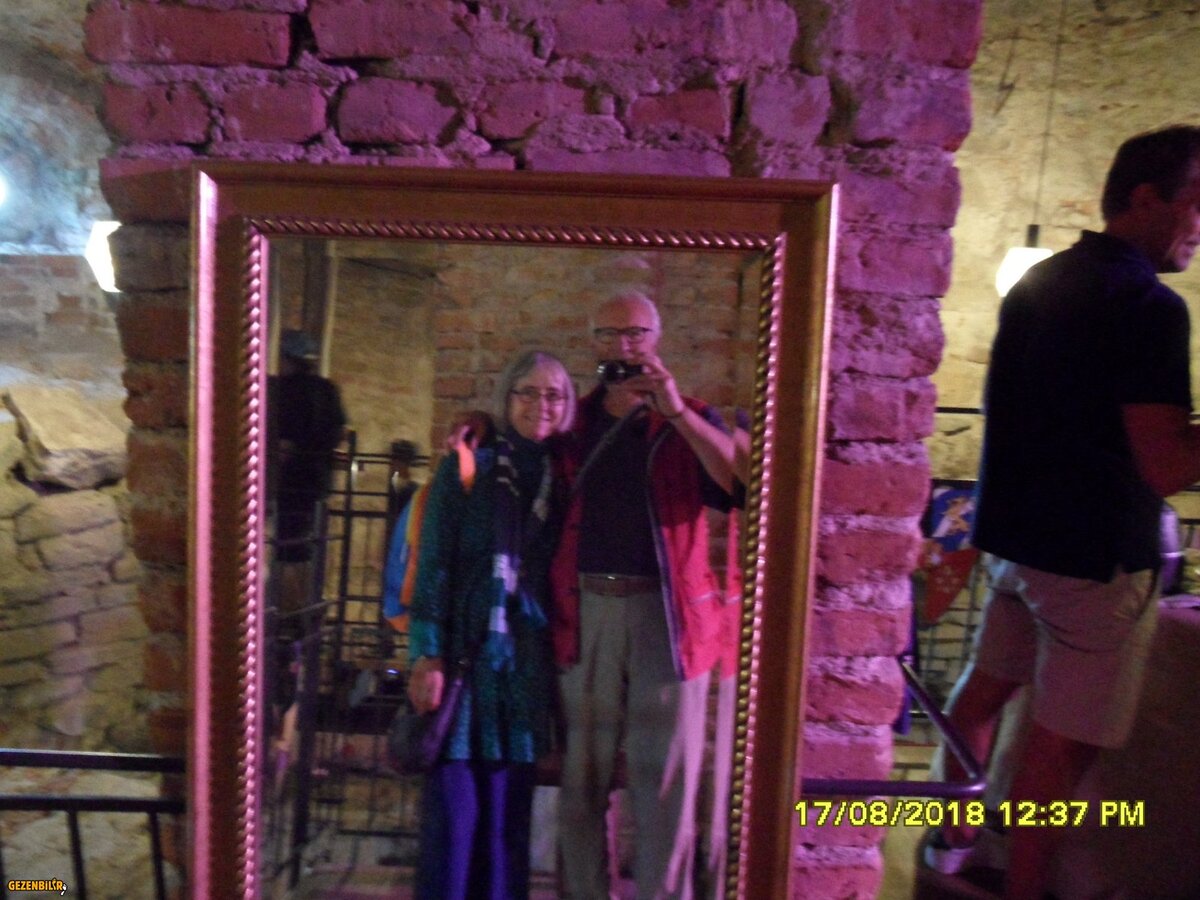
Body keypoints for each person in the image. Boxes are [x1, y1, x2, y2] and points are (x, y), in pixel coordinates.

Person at [929, 125, 1200, 899]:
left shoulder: (1041, 281)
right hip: (1094, 560)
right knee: (1062, 749)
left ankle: (952, 852)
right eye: (1197, 203)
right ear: (1146, 198)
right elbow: (1167, 465)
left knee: (981, 696)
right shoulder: (1149, 306)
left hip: (1020, 547)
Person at [549, 291, 740, 899]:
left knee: (667, 780)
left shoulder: (691, 416)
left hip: (669, 615)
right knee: (581, 778)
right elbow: (524, 445)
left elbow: (739, 482)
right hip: (585, 610)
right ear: (593, 343)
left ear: (656, 338)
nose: (623, 346)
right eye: (609, 335)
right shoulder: (572, 420)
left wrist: (676, 411)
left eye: (635, 334)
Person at [406, 350, 575, 900]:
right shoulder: (469, 464)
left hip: (523, 662)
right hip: (464, 655)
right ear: (507, 398)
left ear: (568, 405)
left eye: (554, 394)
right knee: (454, 819)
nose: (540, 404)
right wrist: (427, 652)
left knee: (508, 820)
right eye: (528, 391)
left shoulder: (564, 476)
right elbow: (435, 561)